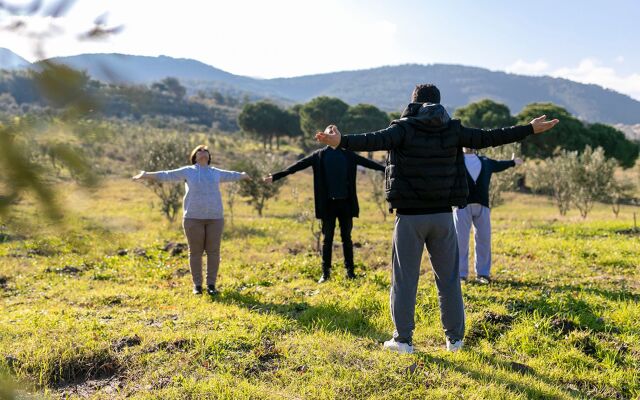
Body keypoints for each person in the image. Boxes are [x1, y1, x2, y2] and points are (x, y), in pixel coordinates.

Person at [315, 84, 558, 354]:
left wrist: (340, 142)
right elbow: (489, 137)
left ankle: (403, 340)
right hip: (443, 216)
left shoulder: (402, 128)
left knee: (405, 281)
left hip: (409, 218)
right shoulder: (452, 130)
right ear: (439, 104)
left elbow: (372, 140)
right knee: (449, 279)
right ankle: (455, 341)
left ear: (414, 103)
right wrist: (528, 128)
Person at [132, 145, 250, 295]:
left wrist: (243, 175)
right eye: (199, 150)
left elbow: (233, 175)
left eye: (205, 150)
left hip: (215, 218)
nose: (202, 152)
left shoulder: (216, 173)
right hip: (193, 218)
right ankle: (197, 286)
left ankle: (211, 285)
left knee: (213, 252)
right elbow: (166, 174)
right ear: (194, 156)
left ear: (209, 156)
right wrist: (146, 174)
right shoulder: (188, 171)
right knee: (195, 252)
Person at [264, 146, 385, 283]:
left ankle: (350, 272)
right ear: (326, 137)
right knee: (327, 239)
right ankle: (325, 273)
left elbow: (369, 163)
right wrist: (275, 176)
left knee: (347, 238)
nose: (333, 132)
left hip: (346, 204)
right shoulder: (319, 156)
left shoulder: (348, 155)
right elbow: (297, 166)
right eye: (330, 131)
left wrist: (386, 169)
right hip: (327, 205)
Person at [454, 148, 523, 284]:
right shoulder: (455, 160)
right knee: (460, 241)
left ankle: (483, 274)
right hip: (461, 205)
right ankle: (461, 275)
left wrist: (513, 162)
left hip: (483, 206)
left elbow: (499, 164)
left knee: (484, 239)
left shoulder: (486, 161)